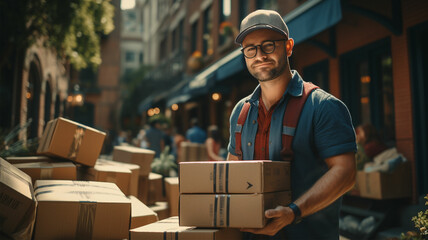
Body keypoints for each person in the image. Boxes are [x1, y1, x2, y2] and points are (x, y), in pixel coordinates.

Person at [227, 10, 357, 239]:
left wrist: (293, 212)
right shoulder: (240, 112)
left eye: (268, 45)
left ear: (288, 47)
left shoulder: (323, 106)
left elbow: (345, 173)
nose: (260, 55)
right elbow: (232, 174)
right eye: (251, 49)